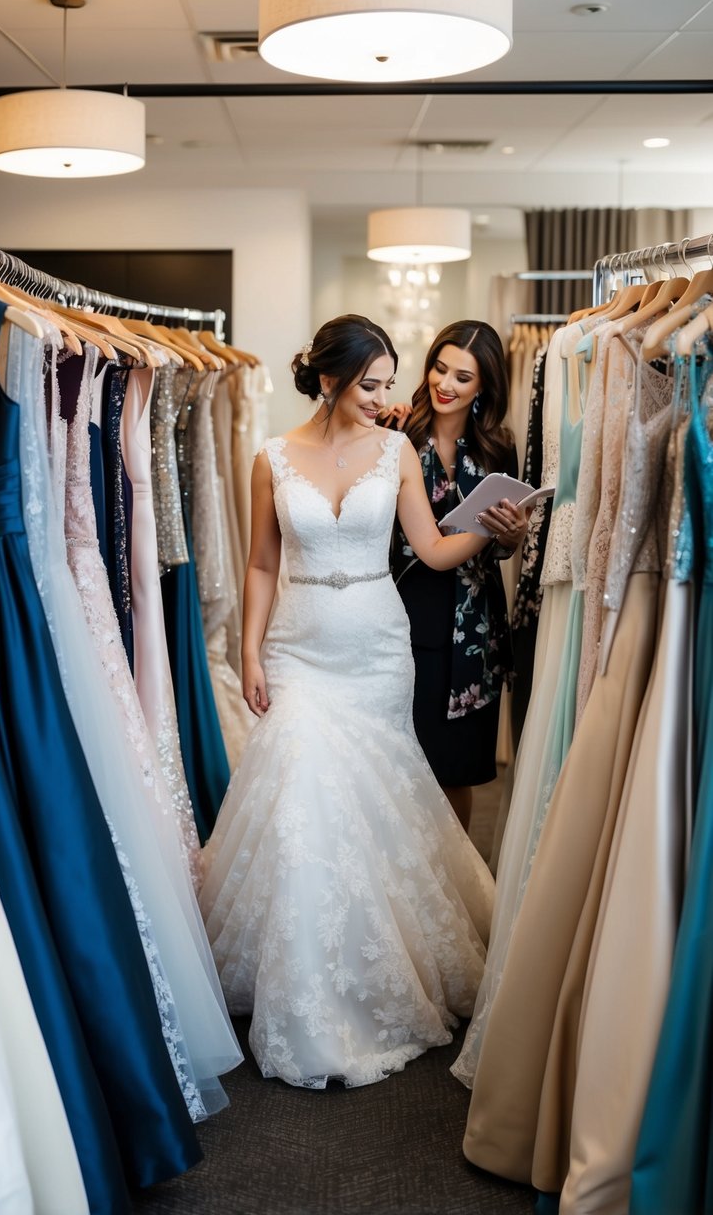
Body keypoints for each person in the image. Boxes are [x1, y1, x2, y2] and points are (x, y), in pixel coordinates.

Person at [198, 314, 517, 1091]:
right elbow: (263, 565)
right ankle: (305, 979)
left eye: (386, 384)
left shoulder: (396, 450)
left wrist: (491, 528)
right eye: (371, 385)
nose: (386, 398)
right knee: (305, 796)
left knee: (377, 804)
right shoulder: (270, 457)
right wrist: (248, 651)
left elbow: (435, 548)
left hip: (378, 649)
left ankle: (375, 961)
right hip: (299, 648)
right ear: (333, 380)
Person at [388, 321, 529, 833]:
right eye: (439, 368)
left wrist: (512, 535)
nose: (444, 384)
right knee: (405, 768)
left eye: (462, 377)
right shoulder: (395, 432)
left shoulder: (497, 450)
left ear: (484, 386)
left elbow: (504, 551)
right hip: (406, 618)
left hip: (474, 634)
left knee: (455, 776)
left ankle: (455, 897)